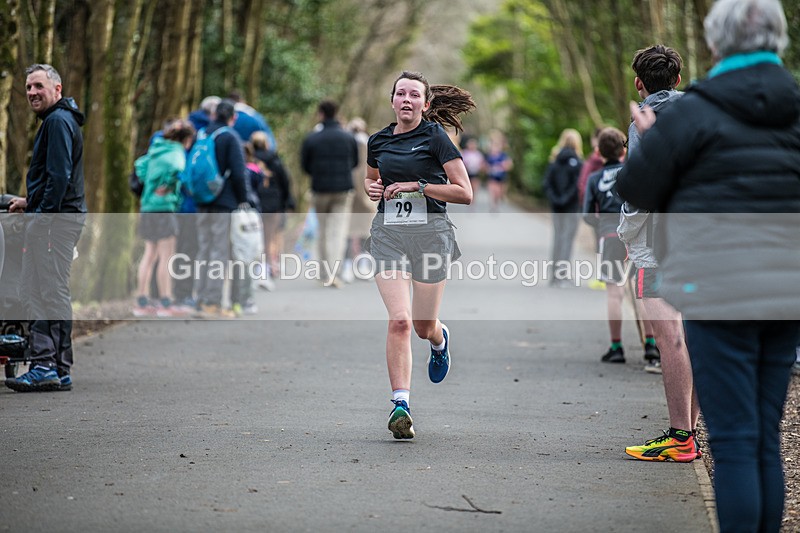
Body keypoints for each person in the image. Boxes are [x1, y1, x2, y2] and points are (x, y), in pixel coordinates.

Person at [616, 1, 800, 530]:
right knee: (764, 435)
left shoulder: (694, 110)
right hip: (787, 283)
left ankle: (685, 440)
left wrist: (650, 139)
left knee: (735, 439)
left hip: (717, 283)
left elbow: (635, 189)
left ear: (715, 45)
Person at [365, 71, 474, 439]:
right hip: (389, 235)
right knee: (399, 320)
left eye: (414, 95)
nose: (407, 99)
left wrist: (419, 186)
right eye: (401, 93)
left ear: (426, 104)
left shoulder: (436, 138)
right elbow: (371, 179)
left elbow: (465, 192)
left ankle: (439, 340)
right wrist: (373, 188)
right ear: (392, 101)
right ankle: (401, 405)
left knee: (422, 326)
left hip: (431, 237)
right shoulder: (378, 141)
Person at [616, 44, 701, 462]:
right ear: (679, 79)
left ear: (638, 83)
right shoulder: (702, 111)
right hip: (706, 236)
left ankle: (680, 437)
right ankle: (691, 433)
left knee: (670, 338)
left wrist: (625, 234)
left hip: (657, 243)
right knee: (698, 337)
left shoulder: (644, 119)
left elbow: (641, 190)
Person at [5, 64, 86, 393]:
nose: (32, 92)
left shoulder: (57, 122)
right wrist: (30, 201)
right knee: (46, 289)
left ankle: (44, 365)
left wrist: (42, 217)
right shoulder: (60, 120)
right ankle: (57, 367)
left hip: (54, 221)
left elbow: (60, 176)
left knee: (40, 290)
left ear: (57, 89)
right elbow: (57, 177)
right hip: (56, 217)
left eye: (38, 85)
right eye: (28, 87)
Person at [583, 127, 659, 364]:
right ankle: (651, 345)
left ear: (598, 152)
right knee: (642, 293)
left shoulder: (594, 179)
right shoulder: (631, 173)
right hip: (636, 236)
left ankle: (616, 347)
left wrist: (602, 226)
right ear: (623, 151)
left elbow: (587, 215)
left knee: (614, 294)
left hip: (609, 237)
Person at [132, 119, 196, 318]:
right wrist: (167, 184)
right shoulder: (177, 152)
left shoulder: (156, 149)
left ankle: (141, 301)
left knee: (149, 254)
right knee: (166, 256)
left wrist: (150, 183)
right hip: (164, 208)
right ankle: (165, 301)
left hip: (147, 206)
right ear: (186, 139)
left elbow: (140, 165)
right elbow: (179, 169)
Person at [192, 99, 249, 318]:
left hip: (201, 201)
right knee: (219, 252)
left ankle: (200, 299)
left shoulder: (202, 134)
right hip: (223, 202)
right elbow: (239, 173)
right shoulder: (229, 137)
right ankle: (212, 302)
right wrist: (243, 200)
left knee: (203, 250)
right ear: (233, 117)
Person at [300, 100, 359, 288]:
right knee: (338, 232)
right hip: (343, 190)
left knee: (323, 230)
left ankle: (324, 272)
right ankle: (334, 273)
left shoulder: (312, 138)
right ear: (336, 113)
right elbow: (355, 162)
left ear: (320, 114)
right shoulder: (348, 137)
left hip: (320, 190)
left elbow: (305, 166)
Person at [251, 131, 294, 289]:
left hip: (256, 204)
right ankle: (266, 270)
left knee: (257, 238)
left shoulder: (250, 161)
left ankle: (259, 269)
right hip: (273, 204)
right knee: (269, 238)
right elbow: (285, 182)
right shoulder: (275, 160)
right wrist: (287, 201)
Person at [543, 128, 583, 285]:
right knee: (567, 239)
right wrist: (566, 199)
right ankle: (563, 274)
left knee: (558, 238)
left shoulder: (554, 162)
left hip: (556, 207)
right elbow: (578, 185)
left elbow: (547, 184)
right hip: (572, 207)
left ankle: (554, 275)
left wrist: (556, 199)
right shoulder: (578, 163)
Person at [342, 117, 375, 283]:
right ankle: (361, 263)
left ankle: (349, 264)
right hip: (365, 194)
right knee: (364, 230)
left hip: (349, 192)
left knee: (347, 231)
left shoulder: (345, 144)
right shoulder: (370, 144)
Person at [485, 130, 512, 212]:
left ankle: (497, 202)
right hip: (492, 176)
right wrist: (490, 168)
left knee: (499, 193)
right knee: (493, 190)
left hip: (501, 176)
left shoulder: (503, 155)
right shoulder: (490, 156)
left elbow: (509, 165)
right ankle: (493, 205)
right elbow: (485, 165)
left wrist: (503, 166)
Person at [460, 136, 486, 201]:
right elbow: (460, 162)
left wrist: (481, 167)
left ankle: (473, 199)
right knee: (468, 186)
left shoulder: (478, 154)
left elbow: (482, 163)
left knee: (474, 187)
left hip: (475, 172)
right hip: (466, 172)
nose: (472, 146)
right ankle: (468, 197)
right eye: (470, 144)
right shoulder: (464, 153)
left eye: (473, 144)